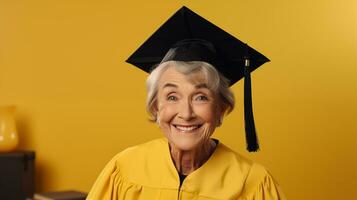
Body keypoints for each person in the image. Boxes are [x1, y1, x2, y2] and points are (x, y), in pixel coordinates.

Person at [87, 6, 286, 200]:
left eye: (201, 97)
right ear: (156, 107)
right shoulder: (124, 169)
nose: (186, 113)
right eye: (172, 96)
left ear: (221, 109)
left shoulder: (253, 184)